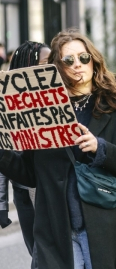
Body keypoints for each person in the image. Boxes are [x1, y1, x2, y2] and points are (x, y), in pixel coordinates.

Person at [0, 30, 116, 268]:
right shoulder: (43, 109)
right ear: (57, 67)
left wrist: (100, 148)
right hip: (57, 228)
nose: (77, 65)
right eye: (68, 60)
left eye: (83, 58)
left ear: (94, 61)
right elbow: (31, 174)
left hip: (106, 226)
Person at [0, 41, 50, 268]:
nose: (50, 68)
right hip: (25, 192)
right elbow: (3, 157)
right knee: (38, 253)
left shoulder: (59, 97)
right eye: (45, 63)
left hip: (56, 190)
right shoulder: (7, 104)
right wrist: (1, 204)